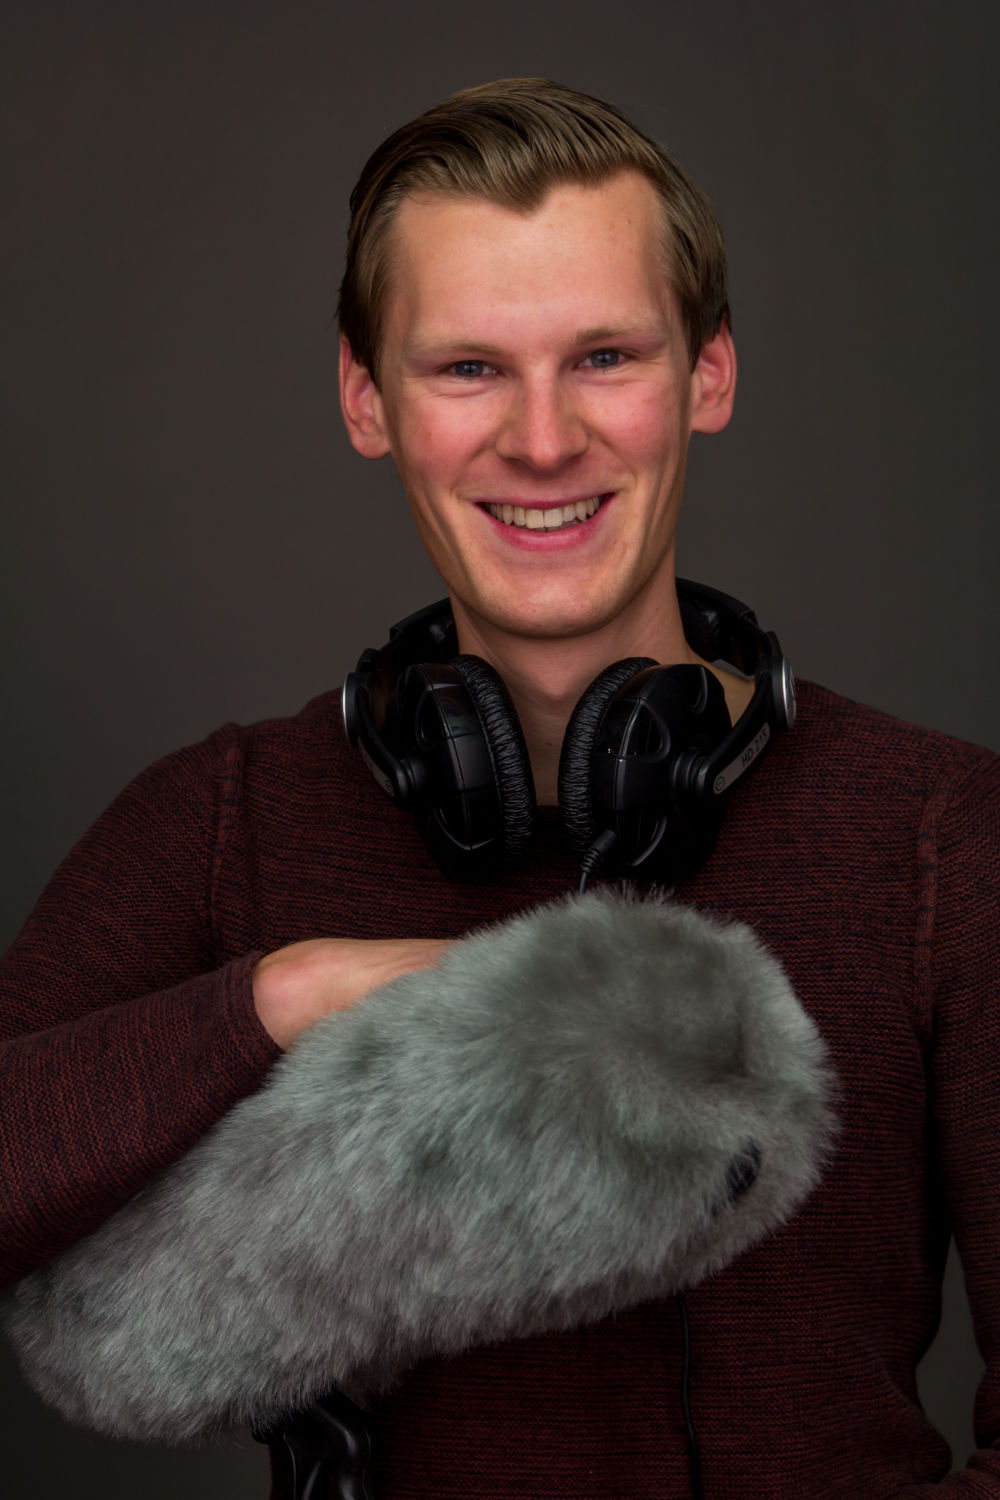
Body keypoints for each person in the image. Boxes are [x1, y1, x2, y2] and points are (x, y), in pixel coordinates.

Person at [1, 78, 998, 1499]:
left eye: (605, 356)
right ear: (367, 398)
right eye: (468, 367)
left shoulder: (943, 837)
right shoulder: (222, 818)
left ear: (710, 374)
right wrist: (289, 998)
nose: (541, 440)